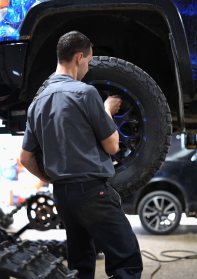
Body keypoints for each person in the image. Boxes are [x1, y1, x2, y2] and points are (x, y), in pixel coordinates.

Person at [20, 31, 143, 279]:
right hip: (91, 192)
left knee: (81, 265)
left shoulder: (37, 102)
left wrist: (53, 178)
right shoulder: (85, 93)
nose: (87, 68)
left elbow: (25, 158)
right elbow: (112, 146)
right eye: (88, 61)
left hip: (63, 196)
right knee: (127, 263)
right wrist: (107, 109)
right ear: (79, 57)